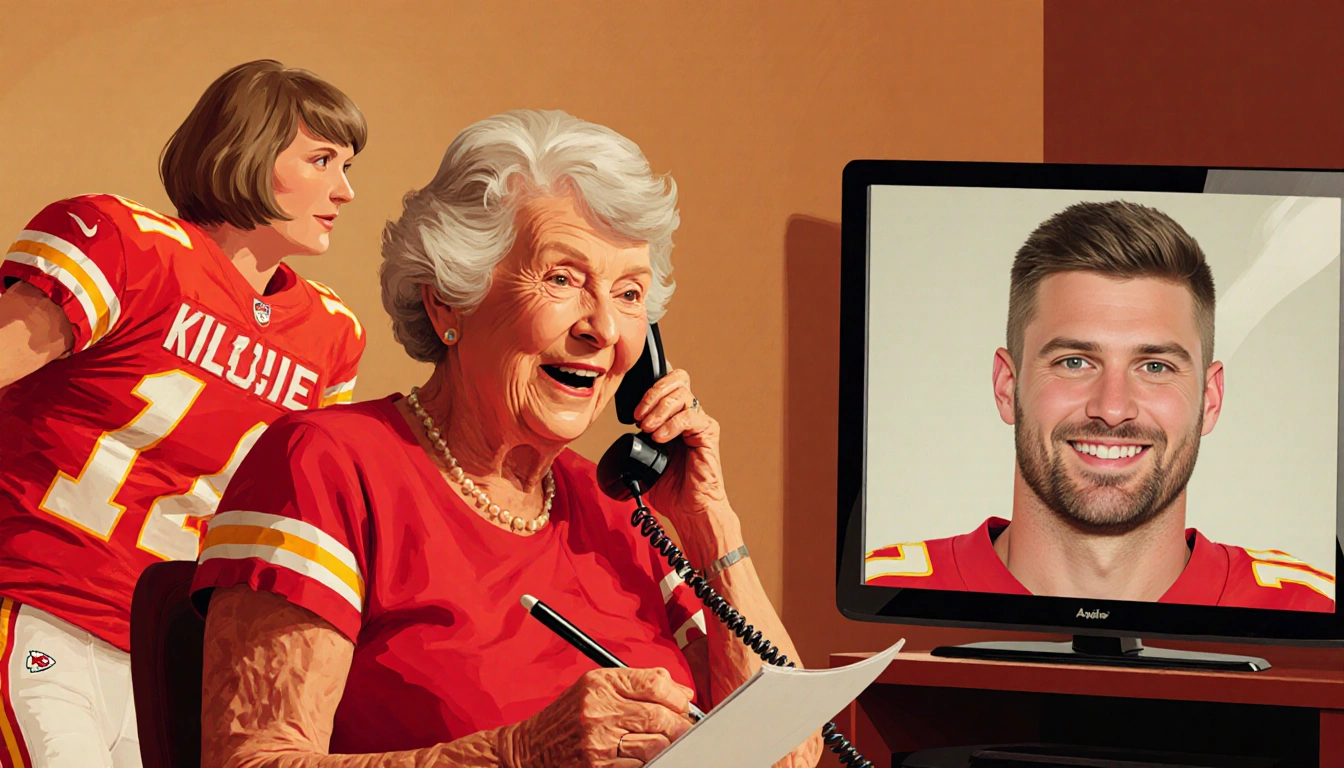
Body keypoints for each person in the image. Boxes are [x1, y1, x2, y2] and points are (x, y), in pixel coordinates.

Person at [189, 109, 824, 768]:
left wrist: (708, 520)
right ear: (448, 301)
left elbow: (791, 758)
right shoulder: (327, 465)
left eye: (630, 293)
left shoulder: (632, 513)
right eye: (563, 279)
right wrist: (516, 755)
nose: (603, 328)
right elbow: (252, 761)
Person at [0, 59, 367, 767]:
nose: (344, 190)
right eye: (321, 160)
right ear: (249, 152)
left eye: (347, 165)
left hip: (163, 657)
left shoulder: (331, 335)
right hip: (37, 602)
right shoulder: (125, 244)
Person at [864, 200, 1335, 612]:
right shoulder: (882, 597)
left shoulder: (1312, 611)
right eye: (1075, 362)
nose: (1112, 409)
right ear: (1007, 386)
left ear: (1210, 401)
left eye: (1154, 367)